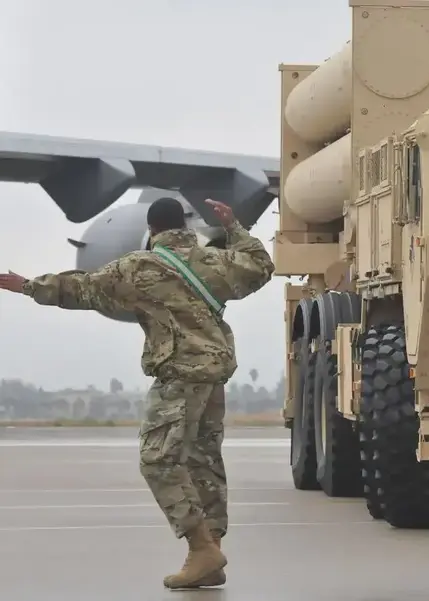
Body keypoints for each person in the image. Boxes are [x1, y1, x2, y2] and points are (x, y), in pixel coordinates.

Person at [0, 197, 275, 589]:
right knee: (203, 463)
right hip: (214, 375)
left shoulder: (141, 266)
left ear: (152, 230)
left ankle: (202, 550)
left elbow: (82, 287)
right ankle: (209, 554)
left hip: (180, 374)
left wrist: (28, 286)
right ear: (183, 225)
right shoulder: (215, 261)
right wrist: (234, 228)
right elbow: (261, 266)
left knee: (157, 459)